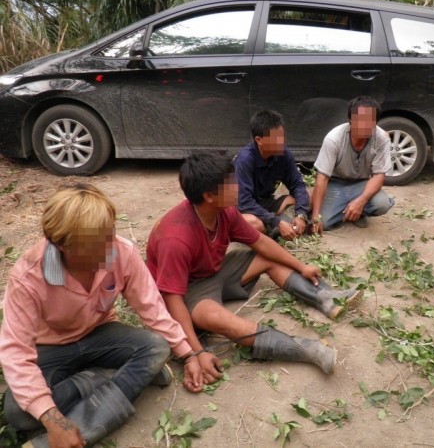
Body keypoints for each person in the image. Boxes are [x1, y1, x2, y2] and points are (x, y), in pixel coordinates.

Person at [0, 184, 203, 448]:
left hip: (100, 334)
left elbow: (151, 307)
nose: (110, 249)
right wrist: (52, 419)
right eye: (97, 244)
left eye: (111, 235)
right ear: (62, 245)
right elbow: (16, 353)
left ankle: (73, 435)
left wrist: (189, 354)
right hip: (51, 348)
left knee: (155, 347)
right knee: (18, 413)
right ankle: (106, 376)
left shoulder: (120, 251)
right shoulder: (28, 276)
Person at [145, 151, 363, 384]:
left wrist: (302, 266)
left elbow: (260, 242)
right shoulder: (175, 238)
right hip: (188, 291)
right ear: (209, 195)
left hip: (214, 272)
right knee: (217, 318)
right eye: (230, 183)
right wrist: (195, 353)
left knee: (268, 256)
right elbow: (172, 298)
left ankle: (326, 298)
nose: (237, 186)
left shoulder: (225, 211)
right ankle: (306, 349)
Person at [310, 96, 394, 232]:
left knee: (382, 204)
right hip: (335, 183)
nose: (364, 125)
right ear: (350, 119)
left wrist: (361, 200)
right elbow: (322, 178)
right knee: (323, 222)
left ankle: (358, 211)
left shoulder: (382, 138)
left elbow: (379, 176)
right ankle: (348, 211)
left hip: (361, 184)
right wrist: (315, 216)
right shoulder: (334, 138)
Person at [234, 109, 311, 240]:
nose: (282, 142)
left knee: (309, 196)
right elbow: (244, 203)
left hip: (265, 202)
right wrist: (276, 221)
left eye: (282, 137)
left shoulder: (283, 153)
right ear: (259, 140)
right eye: (276, 139)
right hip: (243, 209)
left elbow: (297, 185)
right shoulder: (245, 160)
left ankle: (281, 226)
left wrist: (301, 214)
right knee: (255, 224)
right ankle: (276, 227)